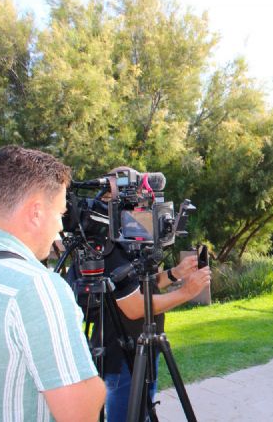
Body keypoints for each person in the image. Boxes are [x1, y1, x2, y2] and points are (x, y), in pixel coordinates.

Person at [68, 167, 211, 422]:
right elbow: (134, 306)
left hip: (144, 345)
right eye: (140, 194)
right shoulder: (106, 244)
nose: (146, 202)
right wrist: (187, 293)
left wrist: (175, 274)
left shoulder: (127, 237)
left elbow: (140, 284)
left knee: (143, 413)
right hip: (124, 353)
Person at [0, 145, 106, 421]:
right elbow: (80, 413)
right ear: (36, 212)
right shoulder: (35, 288)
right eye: (60, 213)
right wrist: (98, 387)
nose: (60, 228)